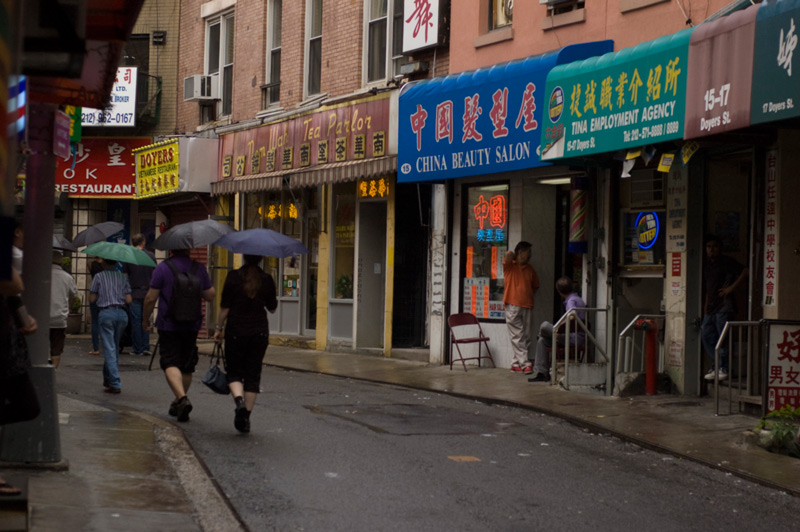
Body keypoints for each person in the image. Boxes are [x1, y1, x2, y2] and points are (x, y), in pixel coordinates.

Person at [143, 249, 215, 422]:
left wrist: (145, 319)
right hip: (191, 324)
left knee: (169, 361)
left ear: (171, 249)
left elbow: (150, 298)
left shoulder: (162, 268)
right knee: (187, 365)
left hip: (168, 323)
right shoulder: (198, 268)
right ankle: (178, 401)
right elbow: (210, 295)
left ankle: (181, 398)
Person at [213, 254, 278, 433]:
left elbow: (225, 306)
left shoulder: (233, 277)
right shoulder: (266, 279)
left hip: (236, 331)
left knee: (234, 372)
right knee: (253, 374)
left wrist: (219, 328)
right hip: (259, 333)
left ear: (243, 257)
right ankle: (246, 417)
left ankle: (239, 401)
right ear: (261, 258)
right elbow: (272, 308)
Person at [1, 267, 40, 496]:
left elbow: (14, 295)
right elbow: (15, 284)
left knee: (29, 406)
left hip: (10, 345)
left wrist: (25, 318)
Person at [702, 234, 747, 382]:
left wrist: (731, 289)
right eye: (709, 247)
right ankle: (716, 365)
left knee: (723, 337)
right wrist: (706, 306)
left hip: (724, 305)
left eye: (714, 246)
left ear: (720, 248)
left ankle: (725, 367)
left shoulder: (726, 262)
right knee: (707, 334)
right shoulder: (707, 265)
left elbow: (745, 271)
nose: (711, 250)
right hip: (711, 306)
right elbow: (709, 288)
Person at [529, 276, 587, 383]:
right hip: (572, 336)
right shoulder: (578, 298)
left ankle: (542, 334)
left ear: (559, 292)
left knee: (544, 325)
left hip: (573, 337)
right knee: (542, 341)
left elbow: (572, 314)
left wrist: (560, 325)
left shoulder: (571, 301)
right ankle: (542, 373)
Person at [89, 258, 132, 394]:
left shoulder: (98, 276)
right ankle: (107, 379)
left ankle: (115, 382)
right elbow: (129, 299)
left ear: (104, 263)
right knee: (114, 346)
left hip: (106, 313)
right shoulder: (123, 277)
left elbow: (91, 298)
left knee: (109, 348)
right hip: (122, 314)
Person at [503, 241, 540, 374]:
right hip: (512, 305)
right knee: (518, 337)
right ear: (520, 252)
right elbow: (508, 255)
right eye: (527, 252)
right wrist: (515, 258)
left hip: (527, 305)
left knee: (526, 336)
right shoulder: (509, 266)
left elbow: (535, 286)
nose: (530, 255)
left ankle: (515, 363)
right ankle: (525, 364)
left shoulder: (530, 269)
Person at [122, 233, 156, 356]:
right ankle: (146, 346)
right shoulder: (151, 256)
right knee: (146, 319)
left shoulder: (128, 257)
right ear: (143, 242)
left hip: (134, 292)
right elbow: (155, 274)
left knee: (136, 321)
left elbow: (125, 276)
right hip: (148, 292)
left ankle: (137, 348)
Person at [49, 251, 78, 368]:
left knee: (40, 348)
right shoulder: (67, 277)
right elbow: (74, 295)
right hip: (59, 318)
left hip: (41, 318)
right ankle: (53, 374)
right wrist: (68, 308)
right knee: (56, 349)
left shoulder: (41, 273)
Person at [87, 256, 104, 355]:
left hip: (94, 292)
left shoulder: (91, 264)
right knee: (104, 321)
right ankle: (106, 345)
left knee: (95, 321)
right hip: (104, 294)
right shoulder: (106, 266)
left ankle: (96, 347)